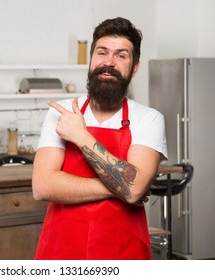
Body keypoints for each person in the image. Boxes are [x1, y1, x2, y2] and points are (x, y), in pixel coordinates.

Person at [32, 17, 167, 260]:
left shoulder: (149, 119)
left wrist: (81, 136)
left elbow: (134, 189)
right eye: (102, 52)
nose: (109, 63)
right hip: (61, 250)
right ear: (91, 60)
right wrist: (121, 188)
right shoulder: (61, 113)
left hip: (123, 251)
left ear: (135, 67)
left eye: (121, 56)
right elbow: (43, 186)